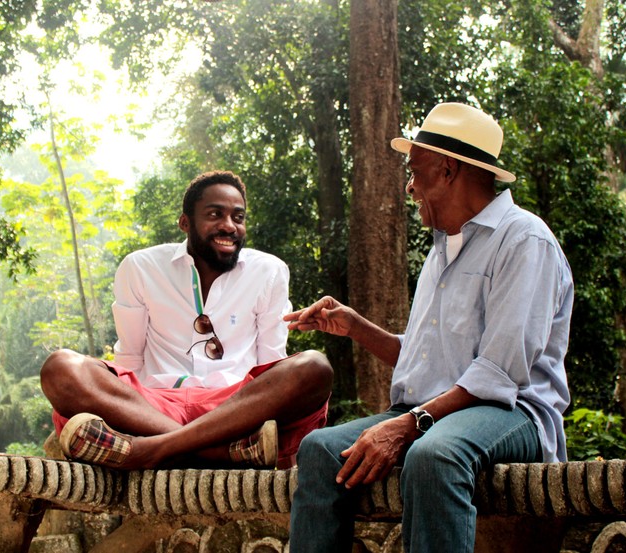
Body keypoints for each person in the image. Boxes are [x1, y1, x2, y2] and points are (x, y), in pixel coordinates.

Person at [284, 103, 573, 552]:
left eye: (415, 171)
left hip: (514, 413)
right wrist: (354, 325)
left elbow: (498, 373)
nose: (409, 186)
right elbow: (428, 360)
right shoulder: (442, 247)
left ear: (448, 170)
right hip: (432, 413)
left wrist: (407, 425)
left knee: (434, 455)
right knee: (320, 450)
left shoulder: (524, 240)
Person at [40, 170, 332, 471]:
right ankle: (220, 454)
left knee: (313, 368)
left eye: (238, 217)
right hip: (152, 405)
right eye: (215, 214)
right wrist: (124, 407)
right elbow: (130, 358)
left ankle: (148, 450)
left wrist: (266, 399)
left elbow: (271, 361)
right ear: (185, 223)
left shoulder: (270, 271)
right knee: (61, 369)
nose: (229, 226)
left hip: (236, 408)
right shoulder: (140, 267)